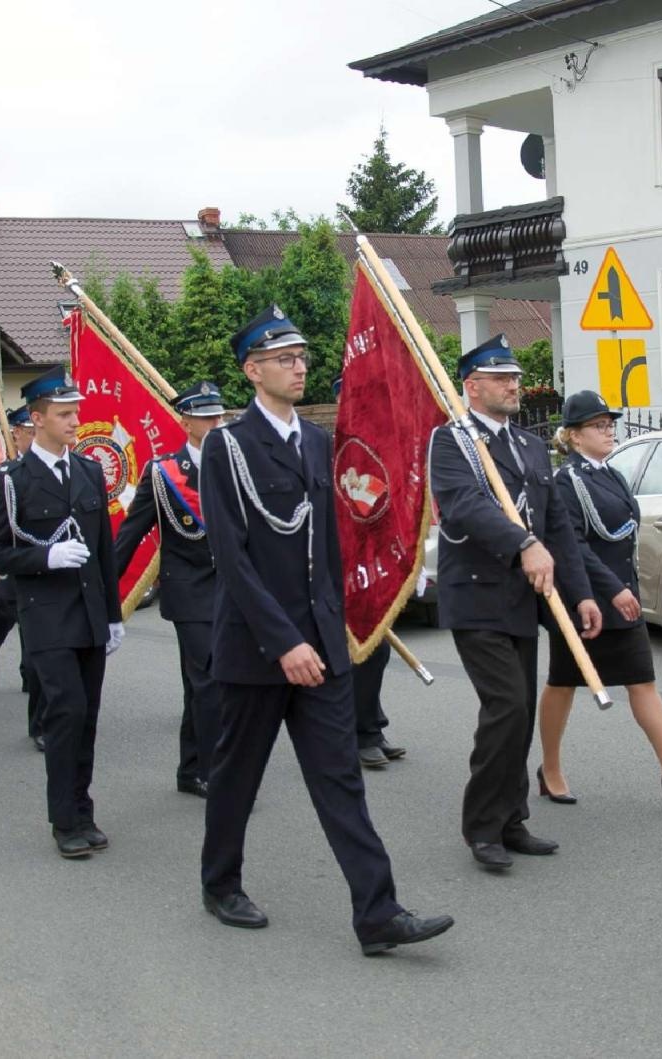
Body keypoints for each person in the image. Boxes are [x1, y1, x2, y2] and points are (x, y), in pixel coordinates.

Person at [197, 305, 452, 954]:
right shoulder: (226, 447)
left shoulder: (321, 444)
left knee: (341, 778)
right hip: (260, 650)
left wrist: (389, 582)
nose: (299, 365)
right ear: (252, 371)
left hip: (325, 644)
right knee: (237, 773)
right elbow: (233, 558)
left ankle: (378, 912)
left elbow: (344, 538)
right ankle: (220, 882)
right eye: (284, 358)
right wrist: (286, 643)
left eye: (303, 355)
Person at [427, 334, 600, 872]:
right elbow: (464, 507)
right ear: (471, 386)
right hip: (476, 595)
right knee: (506, 707)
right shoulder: (452, 441)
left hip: (525, 600)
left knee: (519, 714)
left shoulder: (529, 446)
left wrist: (581, 595)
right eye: (501, 378)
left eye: (517, 378)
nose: (514, 386)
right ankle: (481, 826)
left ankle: (512, 818)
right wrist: (521, 544)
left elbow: (557, 530)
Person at [537, 390, 662, 807]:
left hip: (623, 597)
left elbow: (623, 533)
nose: (609, 431)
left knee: (643, 681)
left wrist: (626, 588)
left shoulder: (610, 474)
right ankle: (550, 768)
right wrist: (611, 589)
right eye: (599, 425)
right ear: (575, 436)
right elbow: (573, 547)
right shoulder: (567, 482)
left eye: (609, 423)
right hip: (585, 599)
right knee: (563, 685)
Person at [0, 367, 123, 857]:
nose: (75, 420)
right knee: (66, 712)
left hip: (89, 614)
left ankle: (83, 809)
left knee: (89, 717)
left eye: (76, 411)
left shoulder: (87, 470)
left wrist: (114, 613)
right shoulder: (13, 480)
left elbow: (103, 546)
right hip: (46, 616)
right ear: (36, 420)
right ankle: (64, 820)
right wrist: (44, 557)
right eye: (64, 413)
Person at [113, 380, 224, 798]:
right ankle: (217, 774)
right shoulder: (163, 473)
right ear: (185, 421)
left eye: (218, 415)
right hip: (190, 592)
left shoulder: (235, 464)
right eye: (205, 416)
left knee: (206, 683)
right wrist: (107, 590)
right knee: (211, 681)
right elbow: (132, 533)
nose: (215, 422)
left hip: (231, 592)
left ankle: (190, 768)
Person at [331, 373, 406, 770]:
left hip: (374, 564)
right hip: (341, 568)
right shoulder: (335, 451)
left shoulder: (377, 449)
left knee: (375, 652)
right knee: (358, 654)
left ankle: (372, 727)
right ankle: (356, 735)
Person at [0, 407, 44, 750]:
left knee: (35, 631)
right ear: (16, 433)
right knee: (4, 613)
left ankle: (30, 678)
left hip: (43, 565)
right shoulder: (3, 473)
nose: (34, 436)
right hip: (14, 561)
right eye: (28, 431)